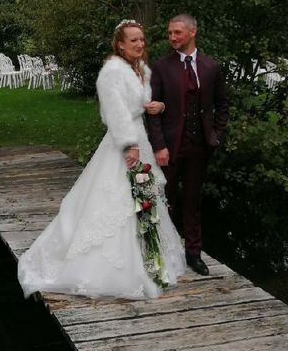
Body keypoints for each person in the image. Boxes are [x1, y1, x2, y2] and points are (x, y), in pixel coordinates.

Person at [17, 19, 185, 300]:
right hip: (124, 142)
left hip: (140, 138)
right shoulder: (112, 71)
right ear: (120, 44)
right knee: (116, 201)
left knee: (143, 198)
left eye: (142, 39)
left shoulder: (140, 68)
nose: (140, 44)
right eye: (134, 40)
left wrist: (158, 105)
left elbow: (138, 102)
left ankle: (151, 259)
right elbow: (114, 110)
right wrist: (128, 145)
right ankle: (110, 269)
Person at [147, 14, 229, 276]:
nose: (172, 37)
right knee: (165, 199)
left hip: (199, 147)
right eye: (169, 33)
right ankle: (165, 255)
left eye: (177, 33)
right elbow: (152, 111)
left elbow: (222, 104)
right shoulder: (161, 67)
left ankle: (193, 254)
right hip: (169, 147)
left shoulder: (211, 67)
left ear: (193, 32)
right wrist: (159, 146)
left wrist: (215, 135)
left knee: (193, 202)